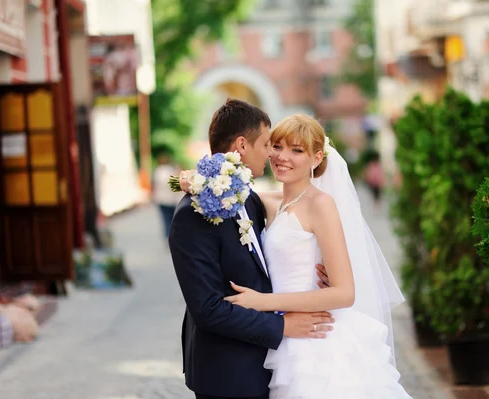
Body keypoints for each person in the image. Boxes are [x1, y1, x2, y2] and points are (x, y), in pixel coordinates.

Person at [182, 114, 411, 398]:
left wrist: (264, 302)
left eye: (296, 150)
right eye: (276, 146)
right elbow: (229, 190)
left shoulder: (321, 205)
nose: (282, 157)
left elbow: (344, 293)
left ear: (316, 158)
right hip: (280, 339)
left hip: (314, 337)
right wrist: (194, 178)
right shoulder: (267, 202)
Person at [169, 100, 334, 399]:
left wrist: (323, 274)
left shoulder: (250, 199)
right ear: (242, 145)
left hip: (270, 365)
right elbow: (208, 309)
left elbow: (298, 204)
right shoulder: (192, 215)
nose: (272, 153)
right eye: (269, 144)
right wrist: (282, 325)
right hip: (226, 373)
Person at [152, 153, 182, 238]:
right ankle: (173, 236)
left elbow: (155, 185)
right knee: (173, 220)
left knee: (165, 219)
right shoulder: (172, 171)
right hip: (172, 200)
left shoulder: (157, 171)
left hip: (161, 200)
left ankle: (167, 236)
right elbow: (176, 187)